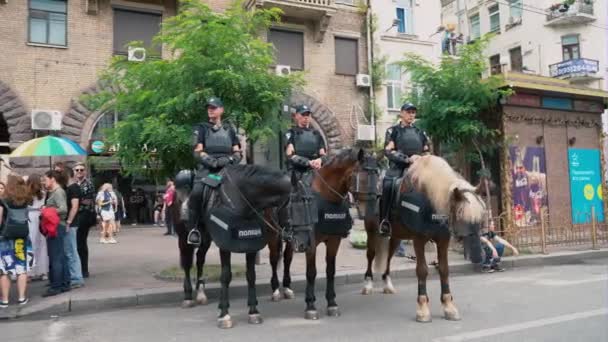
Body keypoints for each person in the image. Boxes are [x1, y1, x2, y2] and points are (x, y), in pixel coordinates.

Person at [186, 97, 242, 245]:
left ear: (221, 110)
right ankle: (195, 230)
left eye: (214, 107)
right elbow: (198, 151)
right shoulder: (201, 128)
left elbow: (237, 152)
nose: (211, 110)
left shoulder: (230, 129)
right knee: (197, 193)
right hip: (208, 170)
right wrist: (211, 161)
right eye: (209, 107)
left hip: (228, 169)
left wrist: (228, 160)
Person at [380, 103, 430, 237]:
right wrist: (407, 159)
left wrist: (420, 158)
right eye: (408, 112)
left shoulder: (421, 132)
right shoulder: (393, 131)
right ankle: (385, 220)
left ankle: (434, 220)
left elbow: (427, 151)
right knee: (387, 185)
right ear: (401, 113)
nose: (411, 115)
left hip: (419, 167)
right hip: (398, 168)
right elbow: (388, 151)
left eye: (413, 112)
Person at [0, 176, 34, 307]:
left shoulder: (3, 200)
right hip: (22, 237)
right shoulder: (26, 200)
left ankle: (5, 300)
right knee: (21, 267)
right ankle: (21, 298)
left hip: (5, 238)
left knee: (4, 270)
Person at [43, 170, 70, 297]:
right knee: (60, 256)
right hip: (57, 226)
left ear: (52, 179)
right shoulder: (55, 192)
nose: (44, 182)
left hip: (56, 226)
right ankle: (64, 283)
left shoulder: (58, 192)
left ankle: (56, 286)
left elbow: (63, 209)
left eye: (46, 179)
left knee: (55, 257)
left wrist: (47, 210)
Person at [73, 162, 96, 278]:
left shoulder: (88, 184)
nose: (79, 172)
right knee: (77, 243)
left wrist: (75, 201)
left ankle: (84, 270)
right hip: (77, 215)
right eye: (77, 170)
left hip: (85, 216)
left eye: (81, 170)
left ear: (85, 171)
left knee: (81, 243)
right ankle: (79, 269)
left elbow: (88, 201)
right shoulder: (74, 184)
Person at [64, 166, 84, 288]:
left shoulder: (74, 188)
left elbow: (74, 207)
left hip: (71, 223)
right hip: (71, 223)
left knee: (71, 251)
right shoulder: (70, 188)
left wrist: (69, 221)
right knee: (70, 251)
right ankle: (74, 277)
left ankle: (76, 278)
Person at [26, 174, 48, 281]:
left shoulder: (25, 194)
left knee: (31, 244)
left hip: (30, 217)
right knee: (42, 244)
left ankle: (29, 272)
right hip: (40, 217)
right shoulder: (43, 194)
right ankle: (42, 271)